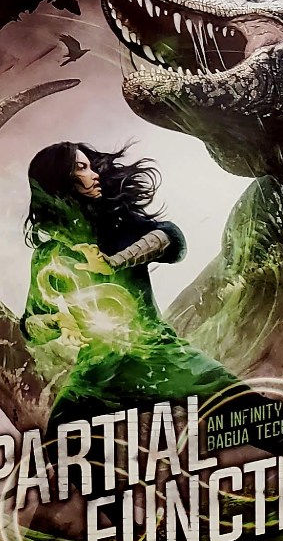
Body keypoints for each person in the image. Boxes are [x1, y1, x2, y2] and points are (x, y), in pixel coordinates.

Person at [19, 141, 247, 430]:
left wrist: (115, 262)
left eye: (91, 166)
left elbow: (171, 239)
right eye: (82, 168)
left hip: (157, 353)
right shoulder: (48, 255)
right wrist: (55, 322)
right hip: (98, 372)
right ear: (60, 179)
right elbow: (29, 324)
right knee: (60, 440)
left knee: (250, 413)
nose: (94, 174)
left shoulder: (118, 223)